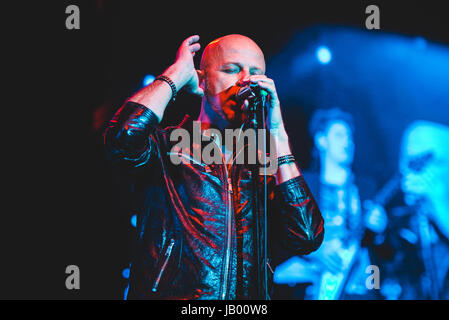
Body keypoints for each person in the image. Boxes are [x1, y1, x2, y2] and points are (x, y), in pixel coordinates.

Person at [104, 34, 324, 299]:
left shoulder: (262, 163)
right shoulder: (167, 146)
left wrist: (276, 133)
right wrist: (175, 75)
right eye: (231, 69)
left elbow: (307, 236)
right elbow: (122, 137)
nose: (246, 80)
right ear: (201, 80)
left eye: (256, 73)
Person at [274, 108, 387, 299]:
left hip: (361, 290)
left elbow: (386, 252)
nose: (348, 142)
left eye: (350, 136)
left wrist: (381, 230)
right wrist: (315, 251)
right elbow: (279, 233)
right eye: (339, 135)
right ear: (321, 140)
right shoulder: (303, 186)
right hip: (315, 289)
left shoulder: (367, 188)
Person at [380, 120, 449, 300]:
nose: (409, 173)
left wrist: (437, 204)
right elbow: (378, 274)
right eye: (407, 161)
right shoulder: (400, 222)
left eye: (424, 161)